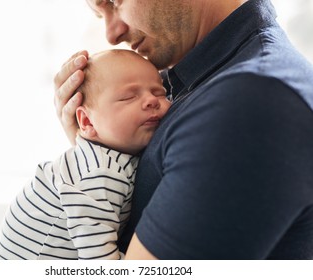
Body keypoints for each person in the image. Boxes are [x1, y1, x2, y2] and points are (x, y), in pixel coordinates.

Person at [54, 0, 313, 259]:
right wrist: (95, 147)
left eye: (115, 2)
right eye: (101, 16)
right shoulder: (193, 82)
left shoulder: (251, 101)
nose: (112, 34)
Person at [0, 49, 171, 260]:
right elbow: (96, 257)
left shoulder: (109, 156)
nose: (152, 100)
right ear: (87, 122)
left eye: (160, 92)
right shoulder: (101, 171)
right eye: (129, 96)